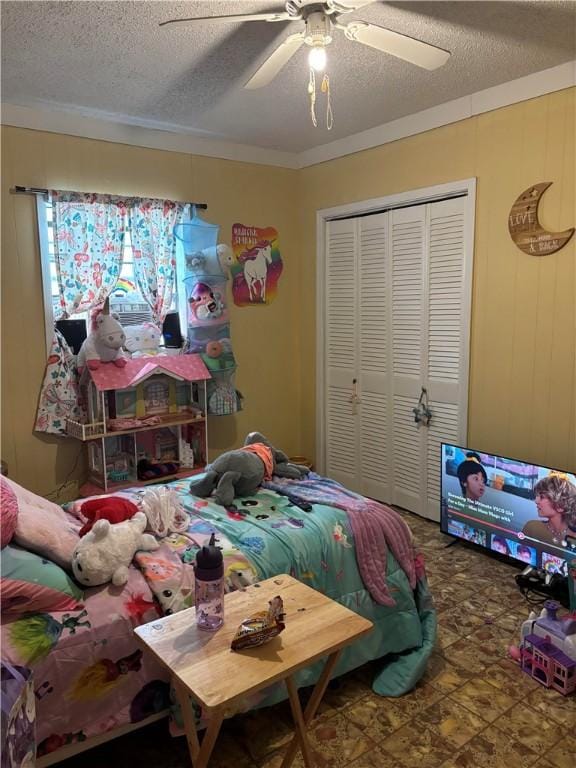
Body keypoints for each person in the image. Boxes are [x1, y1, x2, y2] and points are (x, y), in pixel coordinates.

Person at [522, 473, 576, 547]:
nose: (536, 501)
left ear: (560, 505)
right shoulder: (532, 527)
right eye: (537, 496)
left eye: (542, 497)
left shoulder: (573, 537)